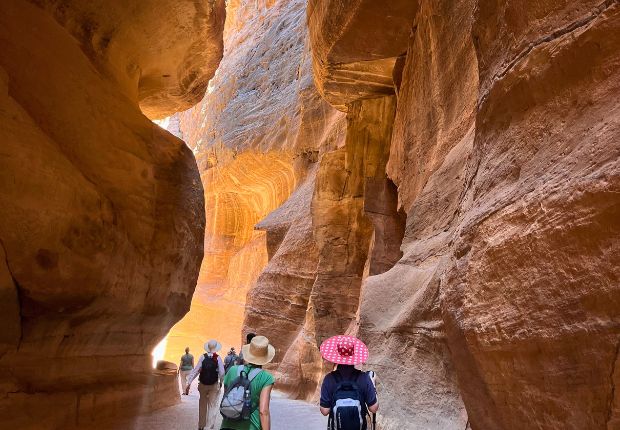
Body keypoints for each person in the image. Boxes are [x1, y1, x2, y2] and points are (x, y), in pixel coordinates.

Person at [319, 335, 378, 430]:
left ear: (336, 354)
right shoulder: (364, 378)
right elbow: (373, 408)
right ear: (354, 355)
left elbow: (325, 411)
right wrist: (373, 384)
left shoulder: (329, 379)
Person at [221, 335, 275, 430]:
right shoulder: (266, 378)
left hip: (227, 425)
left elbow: (226, 396)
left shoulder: (232, 370)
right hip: (251, 426)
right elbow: (263, 411)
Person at [186, 339, 226, 430]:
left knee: (202, 404)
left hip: (203, 384)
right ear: (216, 348)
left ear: (208, 347)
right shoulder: (218, 358)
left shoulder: (203, 357)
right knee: (212, 405)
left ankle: (201, 426)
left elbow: (196, 370)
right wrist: (221, 382)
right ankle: (209, 426)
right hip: (213, 385)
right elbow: (222, 372)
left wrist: (189, 382)